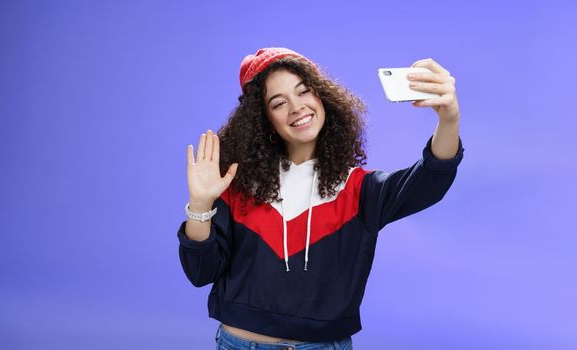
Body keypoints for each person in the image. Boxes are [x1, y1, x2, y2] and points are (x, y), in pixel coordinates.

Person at [178, 47, 464, 349]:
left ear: (322, 96)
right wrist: (200, 204)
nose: (297, 107)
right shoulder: (237, 185)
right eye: (278, 103)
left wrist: (450, 119)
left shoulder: (359, 189)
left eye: (304, 92)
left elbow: (430, 179)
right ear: (263, 120)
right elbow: (200, 272)